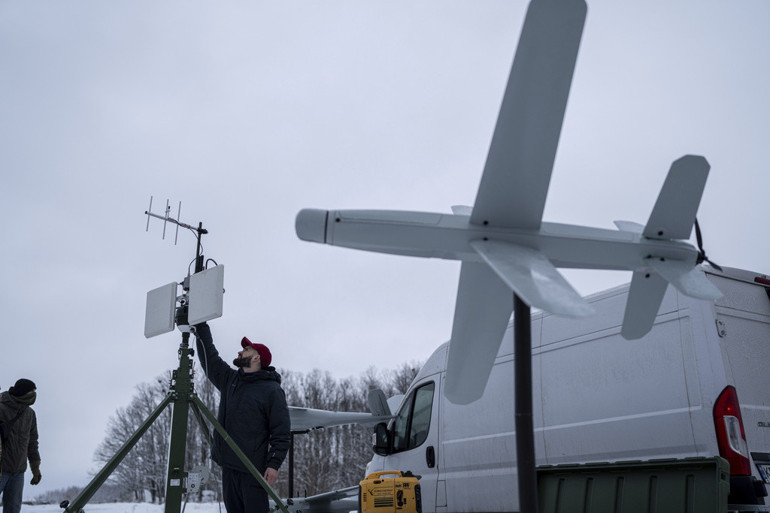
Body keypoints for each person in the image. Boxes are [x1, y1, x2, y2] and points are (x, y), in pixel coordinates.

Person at [193, 322, 291, 513]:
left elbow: (281, 432)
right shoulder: (231, 380)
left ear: (256, 358)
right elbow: (210, 359)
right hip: (228, 467)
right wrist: (201, 328)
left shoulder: (272, 390)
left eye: (246, 350)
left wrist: (273, 464)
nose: (240, 352)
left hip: (252, 470)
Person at [0, 379, 41, 513]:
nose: (34, 394)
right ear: (22, 392)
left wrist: (35, 468)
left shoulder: (30, 414)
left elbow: (32, 443)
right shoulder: (1, 408)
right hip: (1, 469)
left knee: (13, 510)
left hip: (18, 472)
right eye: (31, 391)